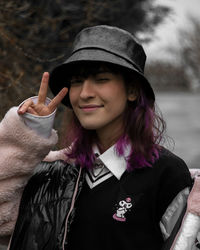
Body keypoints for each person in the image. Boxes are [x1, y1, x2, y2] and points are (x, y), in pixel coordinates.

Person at [0, 25, 200, 250]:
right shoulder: (53, 172)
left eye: (101, 79)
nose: (85, 93)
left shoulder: (167, 173)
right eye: (77, 81)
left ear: (132, 91)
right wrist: (30, 133)